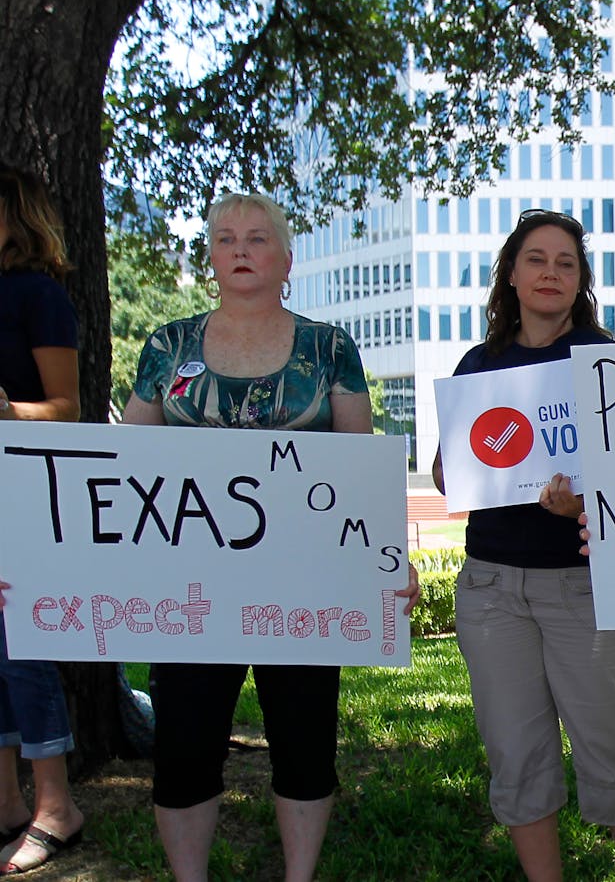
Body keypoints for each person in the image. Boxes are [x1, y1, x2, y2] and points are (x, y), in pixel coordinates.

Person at [121, 192, 420, 882]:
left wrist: (388, 560)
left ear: (286, 260)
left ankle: (299, 877)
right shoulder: (167, 347)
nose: (241, 251)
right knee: (184, 747)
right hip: (191, 587)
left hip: (306, 587)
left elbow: (361, 466)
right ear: (211, 259)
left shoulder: (329, 348)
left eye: (258, 239)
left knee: (305, 740)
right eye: (225, 239)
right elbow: (125, 468)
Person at [432, 208, 615, 882]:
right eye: (537, 258)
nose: (551, 272)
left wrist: (581, 502)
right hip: (492, 588)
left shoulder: (602, 360)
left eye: (566, 261)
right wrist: (457, 470)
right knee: (517, 756)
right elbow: (452, 472)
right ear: (511, 274)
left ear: (581, 279)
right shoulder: (480, 363)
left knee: (612, 753)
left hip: (584, 585)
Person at [0, 168, 84, 875]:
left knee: (23, 649)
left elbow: (66, 408)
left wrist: (7, 412)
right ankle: (6, 802)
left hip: (22, 494)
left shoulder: (39, 296)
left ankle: (56, 804)